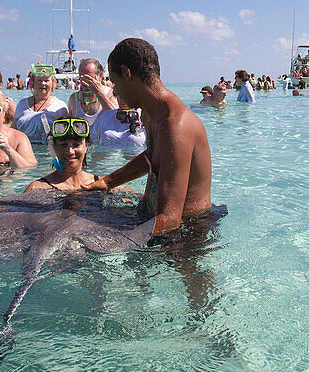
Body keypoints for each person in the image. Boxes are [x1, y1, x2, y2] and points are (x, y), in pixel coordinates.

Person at [83, 38, 212, 235]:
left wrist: (107, 238)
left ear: (127, 73)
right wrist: (108, 182)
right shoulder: (153, 114)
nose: (115, 90)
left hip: (188, 232)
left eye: (115, 82)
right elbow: (152, 156)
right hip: (155, 218)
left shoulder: (176, 125)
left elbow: (170, 220)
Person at [23, 118, 98, 191]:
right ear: (53, 147)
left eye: (76, 145)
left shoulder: (102, 184)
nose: (70, 151)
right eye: (63, 145)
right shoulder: (37, 188)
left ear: (86, 146)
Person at [14, 65, 68, 143]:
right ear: (33, 82)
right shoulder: (22, 104)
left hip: (48, 153)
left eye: (46, 80)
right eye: (39, 80)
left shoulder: (60, 106)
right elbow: (13, 129)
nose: (43, 83)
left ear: (52, 83)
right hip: (24, 152)